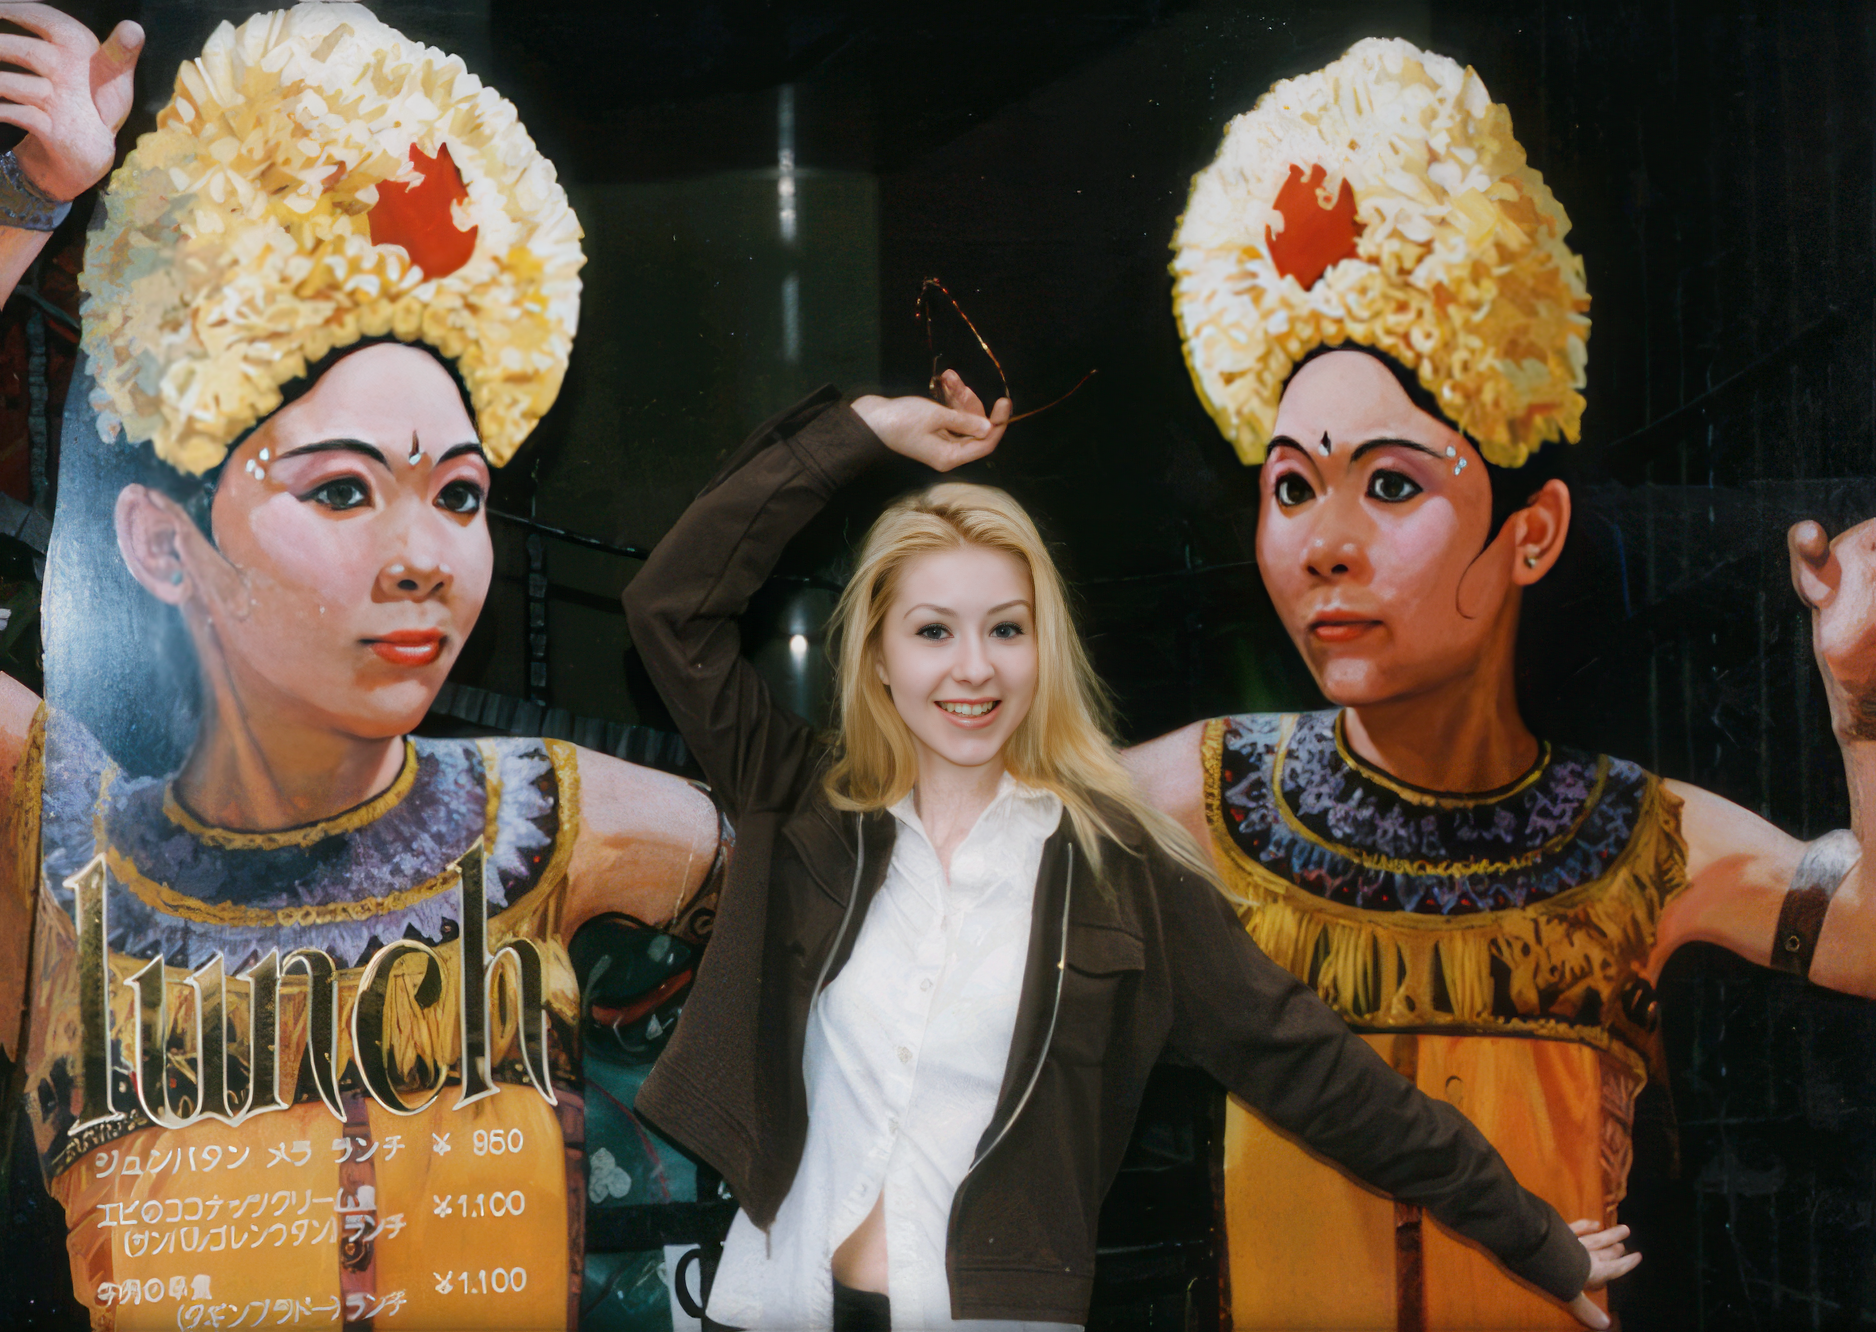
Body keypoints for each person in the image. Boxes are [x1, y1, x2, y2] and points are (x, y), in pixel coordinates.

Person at [621, 374, 1640, 1331]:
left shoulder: (1118, 875)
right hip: (777, 1299)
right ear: (879, 660)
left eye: (1006, 630)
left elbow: (1322, 1074)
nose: (972, 669)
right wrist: (868, 431)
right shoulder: (803, 805)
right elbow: (669, 608)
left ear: (1042, 649)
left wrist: (1534, 1237)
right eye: (932, 632)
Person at [1125, 37, 1876, 1330]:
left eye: (1394, 484)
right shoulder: (1203, 798)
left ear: (1531, 536)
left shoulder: (1640, 841)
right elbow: (900, 861)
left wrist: (1860, 698)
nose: (1326, 542)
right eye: (1293, 486)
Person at [0, 7, 722, 1327]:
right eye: (341, 493)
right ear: (162, 544)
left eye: (458, 497)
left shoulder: (560, 822)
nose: (426, 559)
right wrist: (25, 206)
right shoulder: (57, 856)